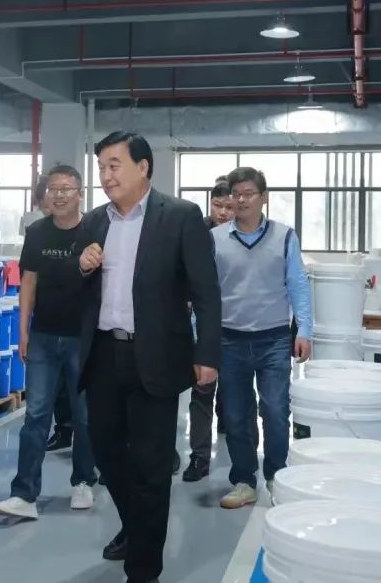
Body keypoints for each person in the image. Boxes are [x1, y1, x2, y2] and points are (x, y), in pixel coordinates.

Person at [77, 132, 222, 583]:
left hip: (156, 356)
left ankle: (144, 570)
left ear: (143, 167)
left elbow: (206, 292)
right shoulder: (94, 221)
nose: (106, 175)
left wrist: (207, 353)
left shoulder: (180, 216)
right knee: (105, 453)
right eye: (101, 167)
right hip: (103, 354)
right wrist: (81, 265)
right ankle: (137, 528)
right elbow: (80, 288)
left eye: (114, 165)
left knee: (152, 465)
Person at [0, 164, 97, 520]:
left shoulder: (95, 229)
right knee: (36, 414)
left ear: (80, 193)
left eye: (67, 188)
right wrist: (23, 331)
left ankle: (83, 481)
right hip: (44, 337)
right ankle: (24, 494)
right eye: (54, 189)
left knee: (84, 415)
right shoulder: (37, 232)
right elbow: (29, 282)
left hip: (83, 338)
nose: (60, 195)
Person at [215, 166, 312, 510]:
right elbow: (206, 292)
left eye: (248, 194)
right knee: (236, 415)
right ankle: (244, 480)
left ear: (264, 198)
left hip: (274, 340)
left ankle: (275, 476)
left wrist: (304, 330)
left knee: (275, 410)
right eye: (236, 194)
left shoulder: (284, 236)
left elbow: (298, 285)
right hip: (229, 340)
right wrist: (201, 335)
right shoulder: (216, 239)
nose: (241, 200)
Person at [183, 180, 236, 482]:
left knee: (231, 392)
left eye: (229, 207)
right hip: (200, 325)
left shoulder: (242, 236)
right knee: (201, 390)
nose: (223, 213)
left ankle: (229, 427)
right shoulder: (196, 232)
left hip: (234, 326)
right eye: (218, 206)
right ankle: (199, 457)